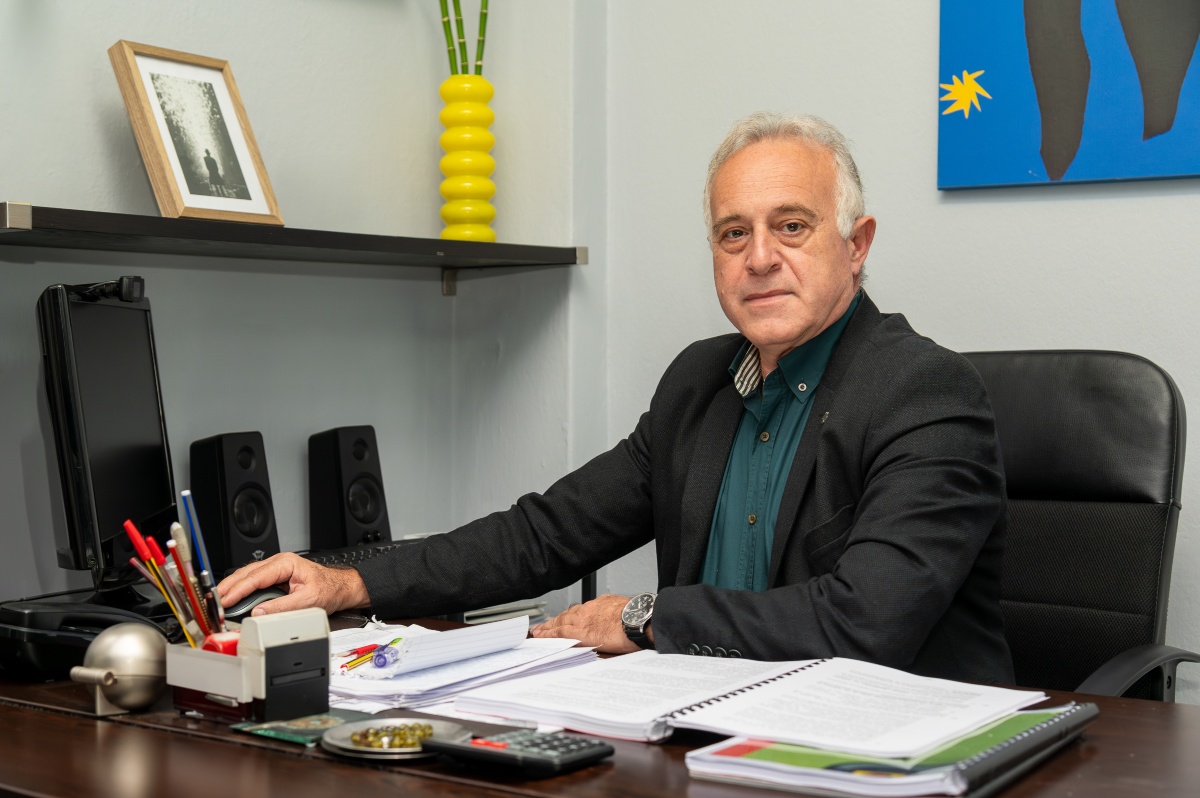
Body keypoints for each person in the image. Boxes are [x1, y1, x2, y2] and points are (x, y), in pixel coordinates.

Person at [219, 112, 1014, 684]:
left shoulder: (924, 392)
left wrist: (644, 617)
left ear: (857, 245)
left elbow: (863, 621)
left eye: (793, 226)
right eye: (733, 233)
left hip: (884, 753)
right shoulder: (699, 384)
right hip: (702, 729)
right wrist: (353, 581)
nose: (760, 258)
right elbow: (545, 534)